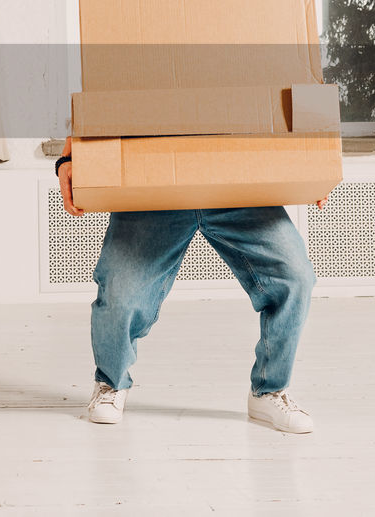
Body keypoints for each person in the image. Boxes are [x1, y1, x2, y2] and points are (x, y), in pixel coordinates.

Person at [55, 137, 327, 433]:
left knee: (294, 276)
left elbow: (277, 97)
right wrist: (67, 158)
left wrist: (314, 164)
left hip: (237, 185)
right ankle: (110, 382)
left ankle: (270, 390)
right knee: (121, 294)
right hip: (152, 184)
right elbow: (104, 103)